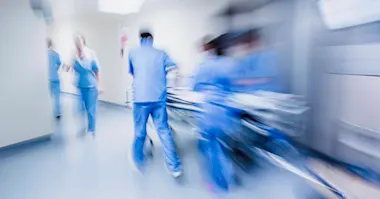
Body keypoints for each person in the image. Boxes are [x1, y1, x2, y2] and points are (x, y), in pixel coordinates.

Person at [128, 32, 182, 178]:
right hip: (158, 99)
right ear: (151, 39)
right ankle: (174, 167)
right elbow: (175, 68)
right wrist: (173, 83)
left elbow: (133, 73)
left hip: (140, 99)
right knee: (164, 131)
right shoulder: (161, 53)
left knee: (140, 132)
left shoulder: (133, 53)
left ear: (140, 39)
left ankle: (138, 162)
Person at [193, 35, 237, 191]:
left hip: (209, 112)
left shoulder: (204, 66)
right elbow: (236, 87)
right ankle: (227, 179)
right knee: (223, 145)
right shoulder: (230, 64)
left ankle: (218, 184)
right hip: (225, 112)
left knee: (210, 146)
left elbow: (195, 87)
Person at [229, 29, 281, 93]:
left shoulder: (268, 56)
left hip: (267, 93)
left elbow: (268, 79)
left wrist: (246, 82)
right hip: (251, 94)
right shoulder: (246, 59)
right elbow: (235, 80)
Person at [72, 35, 101, 137]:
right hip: (80, 86)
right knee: (79, 109)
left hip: (91, 86)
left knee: (91, 110)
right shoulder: (74, 55)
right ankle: (82, 127)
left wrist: (98, 85)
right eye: (76, 41)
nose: (77, 44)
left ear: (83, 42)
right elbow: (70, 68)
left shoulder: (91, 54)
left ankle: (91, 130)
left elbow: (96, 70)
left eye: (79, 41)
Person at [47, 38, 62, 119]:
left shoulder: (42, 54)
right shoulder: (55, 54)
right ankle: (58, 113)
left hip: (47, 79)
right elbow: (58, 64)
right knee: (57, 97)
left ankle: (47, 113)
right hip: (55, 78)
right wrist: (54, 70)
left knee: (47, 97)